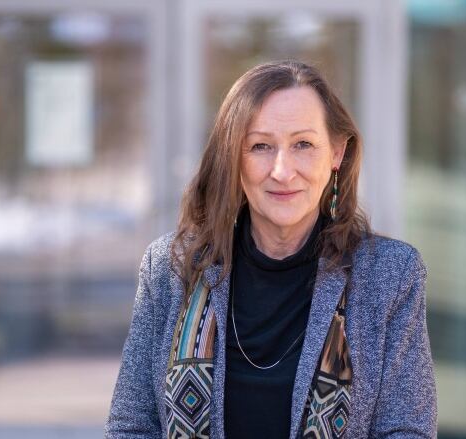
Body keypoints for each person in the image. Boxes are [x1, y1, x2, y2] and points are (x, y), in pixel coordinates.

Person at [105, 60, 436, 438]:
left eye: (303, 144)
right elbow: (131, 426)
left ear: (337, 153)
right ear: (234, 157)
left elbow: (406, 430)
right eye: (260, 146)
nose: (282, 170)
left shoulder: (390, 276)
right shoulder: (172, 268)